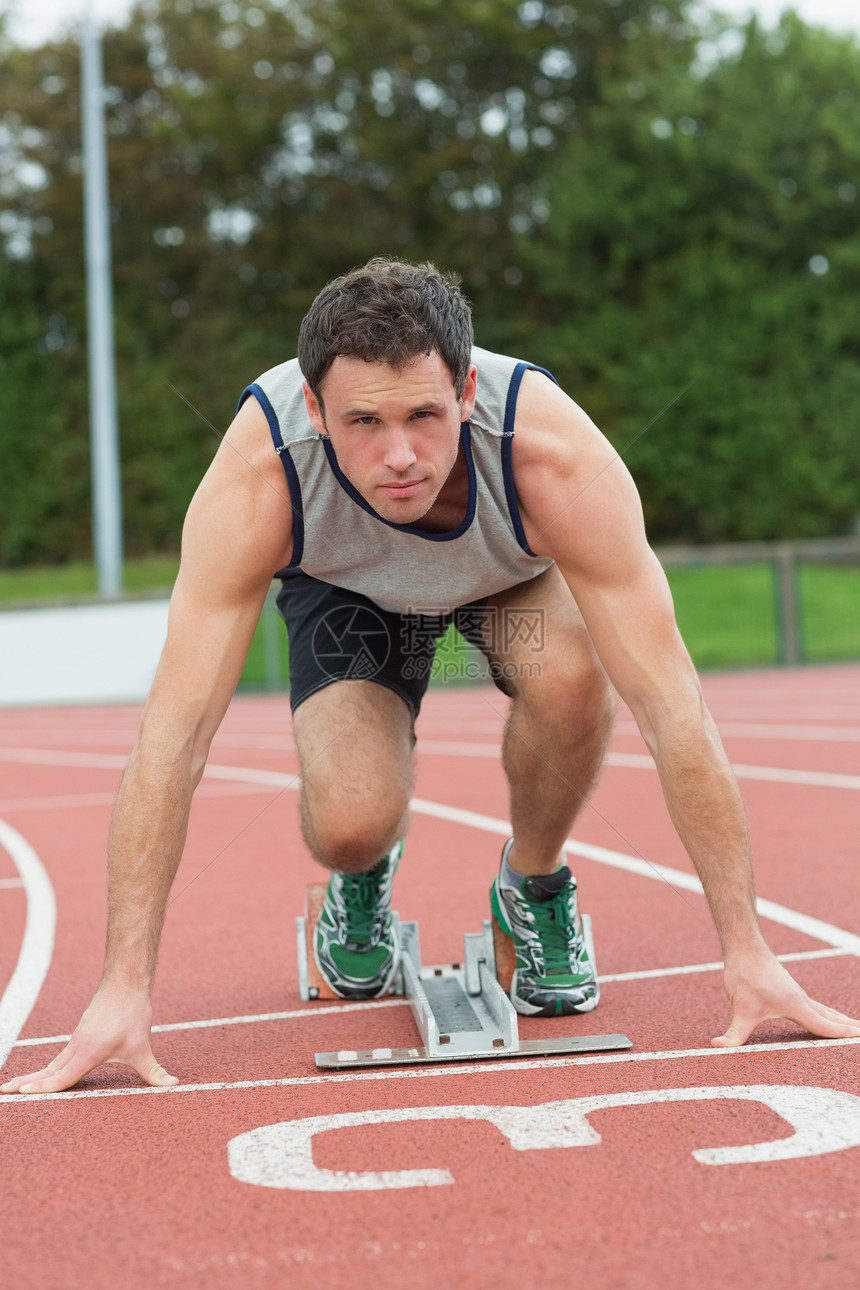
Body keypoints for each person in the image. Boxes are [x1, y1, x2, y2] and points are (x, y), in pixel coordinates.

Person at [4, 258, 857, 1094]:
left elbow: (674, 707)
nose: (400, 454)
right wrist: (122, 988)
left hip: (506, 584)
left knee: (570, 675)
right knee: (349, 824)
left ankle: (534, 880)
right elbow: (175, 736)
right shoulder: (262, 472)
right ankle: (362, 875)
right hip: (348, 601)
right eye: (363, 423)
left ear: (466, 394)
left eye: (423, 414)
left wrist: (748, 951)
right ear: (314, 409)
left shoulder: (549, 454)